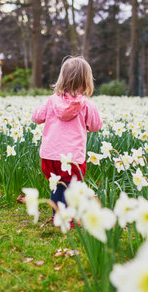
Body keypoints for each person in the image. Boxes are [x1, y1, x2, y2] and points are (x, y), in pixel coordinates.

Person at [30, 56, 102, 223]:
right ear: (86, 81)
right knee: (70, 187)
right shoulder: (86, 105)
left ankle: (57, 215)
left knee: (57, 183)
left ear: (62, 79)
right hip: (72, 158)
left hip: (50, 156)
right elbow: (96, 126)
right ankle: (67, 219)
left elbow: (35, 117)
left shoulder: (51, 101)